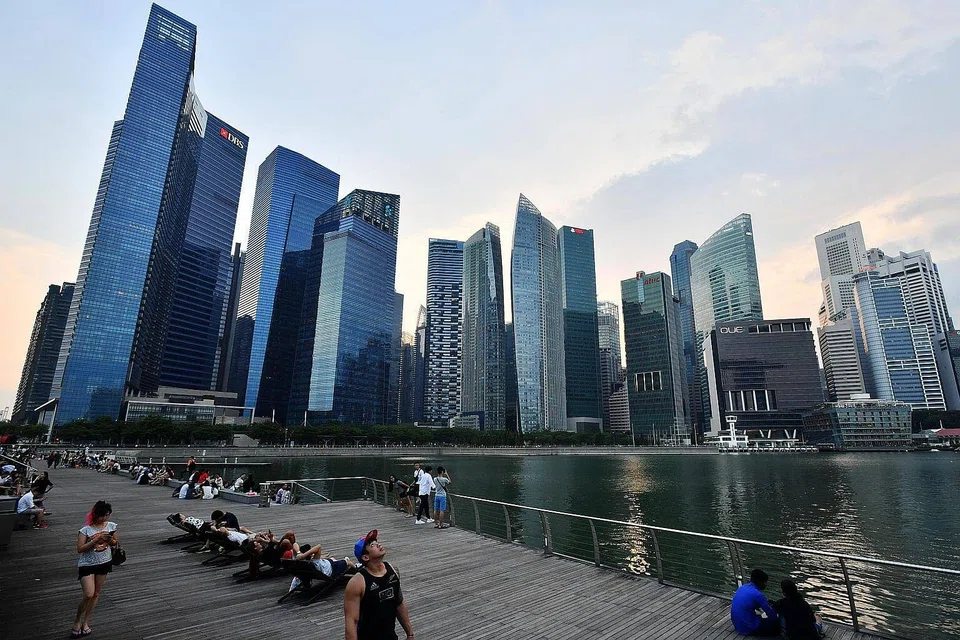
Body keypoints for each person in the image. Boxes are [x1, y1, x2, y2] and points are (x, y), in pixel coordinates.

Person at [344, 530, 414, 640]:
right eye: (372, 545)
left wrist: (410, 634)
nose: (378, 544)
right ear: (365, 557)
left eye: (376, 542)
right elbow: (352, 621)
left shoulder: (393, 570)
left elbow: (399, 603)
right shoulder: (357, 582)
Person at [72, 500, 118, 638]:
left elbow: (115, 543)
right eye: (102, 516)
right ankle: (77, 620)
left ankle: (86, 622)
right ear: (95, 515)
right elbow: (80, 549)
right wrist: (95, 540)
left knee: (96, 593)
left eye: (107, 515)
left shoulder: (111, 526)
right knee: (88, 594)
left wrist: (110, 540)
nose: (104, 518)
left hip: (104, 562)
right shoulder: (85, 530)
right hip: (87, 564)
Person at [731, 569, 781, 636]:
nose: (766, 584)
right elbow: (772, 616)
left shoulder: (742, 587)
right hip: (749, 628)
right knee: (778, 623)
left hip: (738, 625)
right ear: (760, 582)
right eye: (765, 582)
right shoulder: (758, 595)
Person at [290, 542, 356, 590]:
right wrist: (303, 556)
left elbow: (294, 544)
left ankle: (336, 560)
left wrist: (298, 553)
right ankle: (356, 569)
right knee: (347, 562)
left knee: (331, 558)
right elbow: (319, 546)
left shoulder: (298, 562)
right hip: (332, 569)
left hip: (326, 564)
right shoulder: (315, 562)